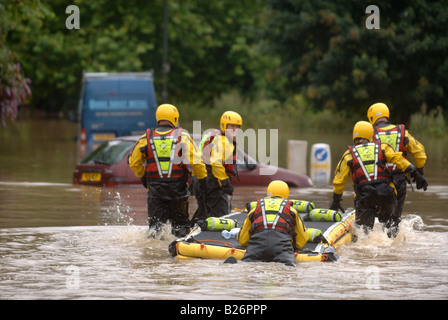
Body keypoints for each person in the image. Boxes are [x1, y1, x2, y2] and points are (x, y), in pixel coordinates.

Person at [330, 121, 428, 238]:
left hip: (364, 196)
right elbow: (399, 160)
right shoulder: (382, 148)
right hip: (387, 195)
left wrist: (336, 201)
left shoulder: (348, 155)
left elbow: (339, 180)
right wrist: (416, 174)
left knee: (363, 234)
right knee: (391, 231)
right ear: (371, 135)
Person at [128, 104, 207, 237]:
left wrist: (144, 178)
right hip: (178, 191)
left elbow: (134, 162)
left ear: (158, 118)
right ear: (175, 118)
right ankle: (179, 254)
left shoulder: (145, 138)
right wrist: (202, 178)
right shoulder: (182, 136)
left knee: (155, 230)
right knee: (181, 228)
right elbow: (197, 161)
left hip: (155, 192)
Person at [367, 102, 428, 217]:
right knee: (395, 217)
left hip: (379, 182)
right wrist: (419, 172)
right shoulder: (402, 132)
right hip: (399, 179)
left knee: (378, 216)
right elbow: (419, 153)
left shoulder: (371, 134)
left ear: (371, 117)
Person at [236, 180, 308, 266]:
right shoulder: (292, 210)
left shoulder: (255, 209)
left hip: (256, 249)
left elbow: (242, 240)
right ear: (287, 194)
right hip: (282, 250)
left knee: (247, 263)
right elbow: (302, 240)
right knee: (289, 266)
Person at [191, 111, 242, 222]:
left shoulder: (213, 136)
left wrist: (194, 178)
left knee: (204, 215)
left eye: (237, 126)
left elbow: (199, 158)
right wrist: (225, 183)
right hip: (212, 183)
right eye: (231, 126)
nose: (234, 129)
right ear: (224, 125)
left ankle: (188, 234)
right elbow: (215, 163)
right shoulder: (223, 141)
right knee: (221, 218)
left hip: (201, 181)